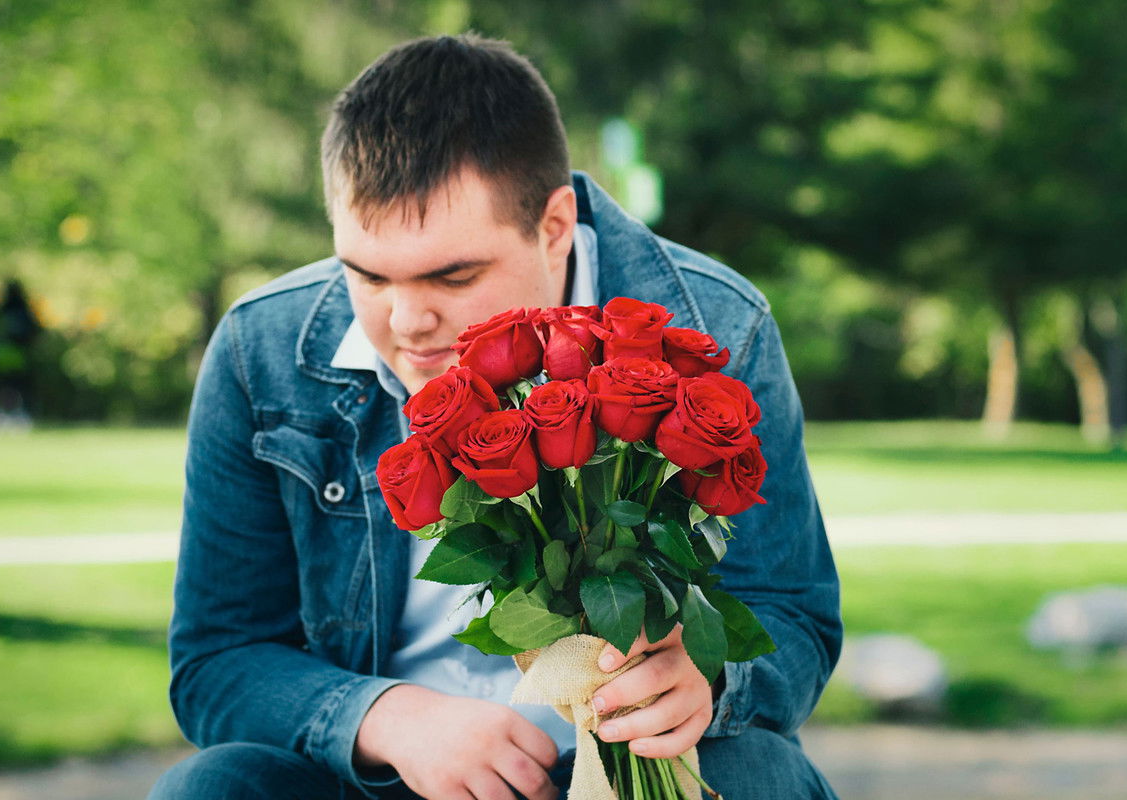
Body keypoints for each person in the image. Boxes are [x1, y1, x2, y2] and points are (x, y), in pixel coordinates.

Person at [151, 34, 842, 800]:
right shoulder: (263, 348)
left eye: (452, 275)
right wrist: (387, 718)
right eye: (367, 275)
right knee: (215, 788)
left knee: (762, 775)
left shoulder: (715, 325)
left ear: (552, 228)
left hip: (631, 770)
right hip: (372, 779)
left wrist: (708, 678)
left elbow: (796, 618)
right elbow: (219, 658)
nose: (407, 320)